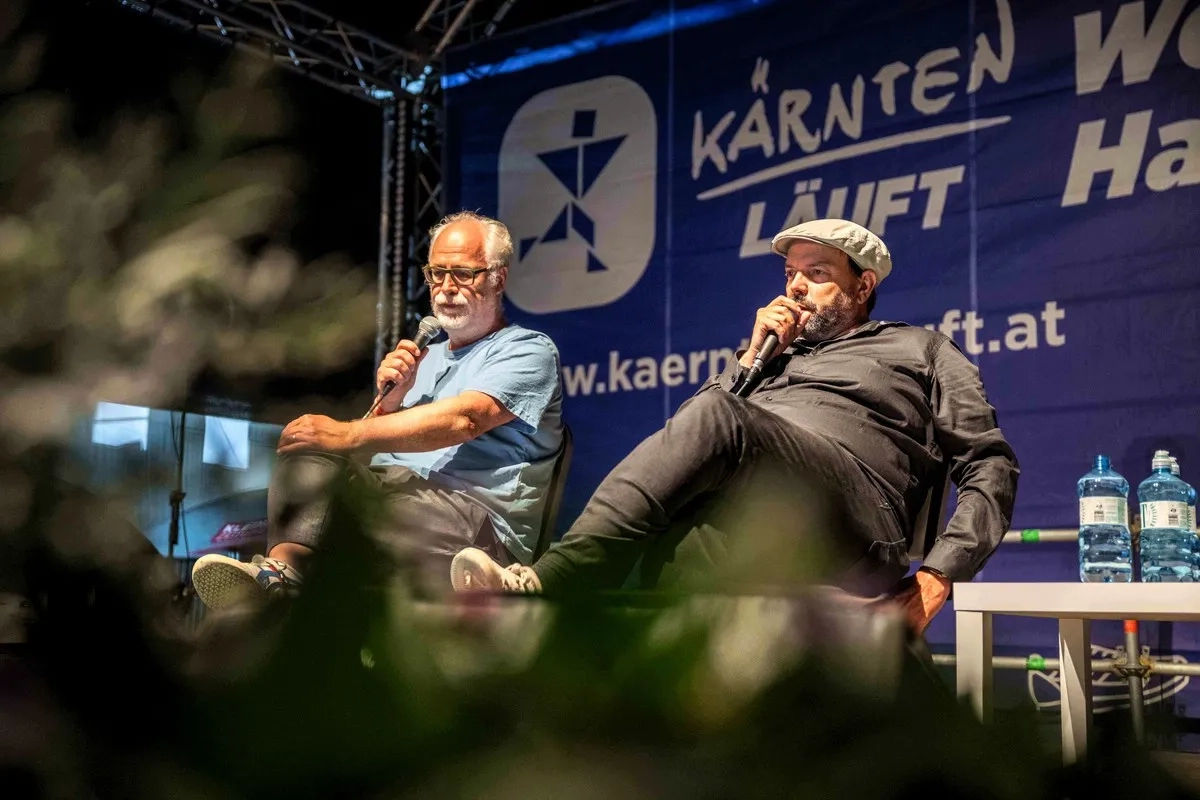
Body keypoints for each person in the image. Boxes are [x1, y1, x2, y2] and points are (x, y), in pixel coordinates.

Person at [450, 218, 1018, 634]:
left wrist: (939, 575)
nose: (795, 286)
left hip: (856, 517)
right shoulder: (770, 356)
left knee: (720, 418)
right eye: (790, 274)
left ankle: (551, 580)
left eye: (816, 273)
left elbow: (989, 462)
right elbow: (690, 433)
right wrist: (752, 359)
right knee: (674, 538)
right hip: (766, 516)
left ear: (863, 286)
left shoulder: (921, 348)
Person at [191, 211, 564, 608]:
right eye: (436, 274)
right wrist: (389, 404)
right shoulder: (423, 358)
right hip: (400, 503)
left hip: (474, 527)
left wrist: (347, 432)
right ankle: (282, 575)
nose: (445, 288)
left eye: (462, 273)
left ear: (497, 278)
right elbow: (371, 456)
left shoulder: (528, 350)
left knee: (351, 494)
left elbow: (465, 420)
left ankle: (305, 588)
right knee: (309, 456)